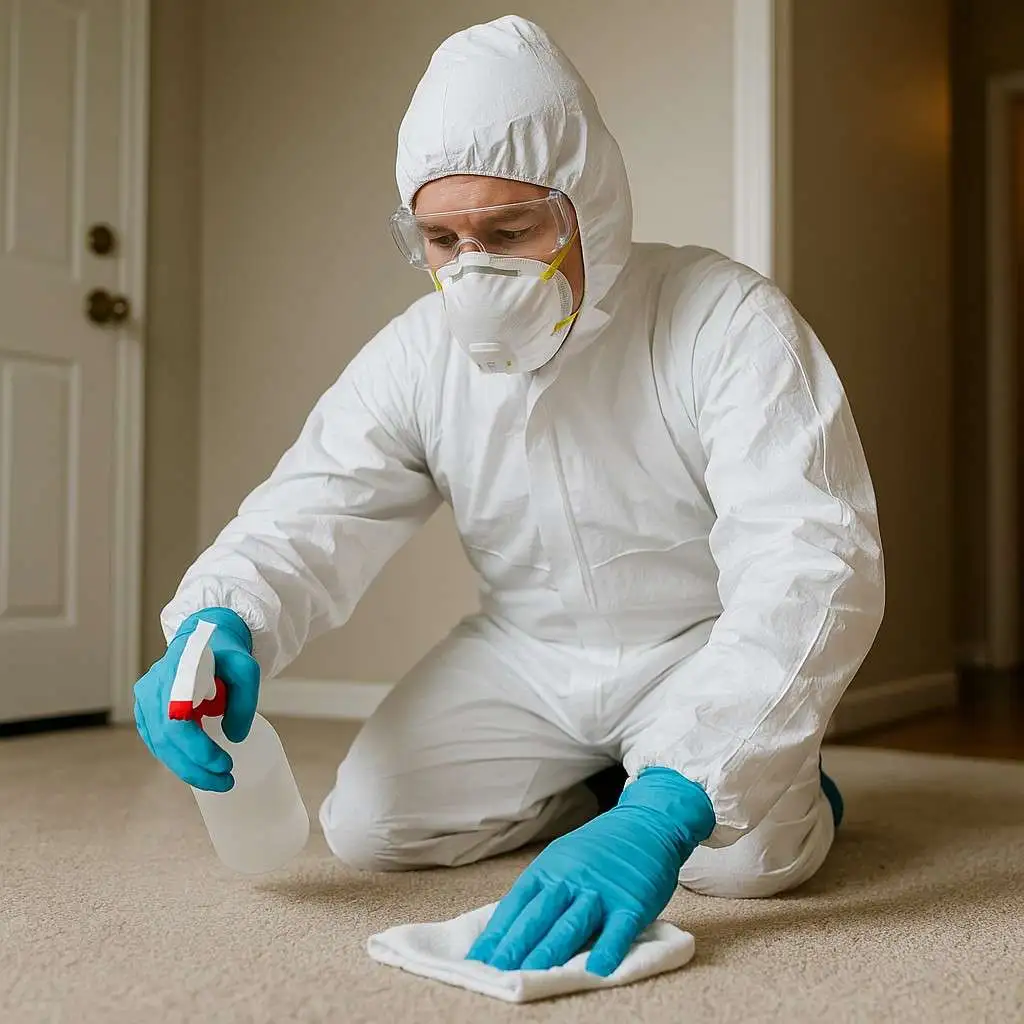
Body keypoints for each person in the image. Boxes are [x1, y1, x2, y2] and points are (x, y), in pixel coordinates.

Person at [134, 16, 884, 977]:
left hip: (699, 645)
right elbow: (314, 506)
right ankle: (599, 780)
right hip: (527, 654)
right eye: (443, 238)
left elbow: (814, 561)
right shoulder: (417, 351)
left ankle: (748, 776)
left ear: (588, 208)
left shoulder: (723, 317)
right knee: (370, 827)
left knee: (745, 864)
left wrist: (669, 806)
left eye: (510, 229)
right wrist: (221, 618)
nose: (474, 267)